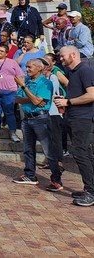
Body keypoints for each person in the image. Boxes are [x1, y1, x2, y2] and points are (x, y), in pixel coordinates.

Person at [13, 58, 61, 190]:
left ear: (39, 68)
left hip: (41, 118)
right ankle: (30, 175)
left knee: (48, 150)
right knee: (28, 149)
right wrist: (31, 97)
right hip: (27, 118)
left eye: (30, 67)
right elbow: (18, 99)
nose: (27, 69)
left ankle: (56, 179)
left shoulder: (45, 83)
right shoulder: (27, 81)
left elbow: (38, 102)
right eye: (26, 67)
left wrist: (24, 87)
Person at [55, 46, 94, 206]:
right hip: (74, 117)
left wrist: (68, 102)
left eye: (63, 56)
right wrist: (66, 103)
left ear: (73, 54)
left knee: (81, 153)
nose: (61, 59)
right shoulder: (73, 72)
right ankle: (90, 189)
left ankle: (90, 191)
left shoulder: (84, 69)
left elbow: (92, 94)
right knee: (85, 154)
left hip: (83, 119)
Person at [0, 45, 24, 143]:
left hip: (9, 91)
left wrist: (21, 89)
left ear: (6, 53)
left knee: (10, 113)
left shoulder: (12, 62)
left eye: (2, 51)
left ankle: (13, 133)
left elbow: (20, 75)